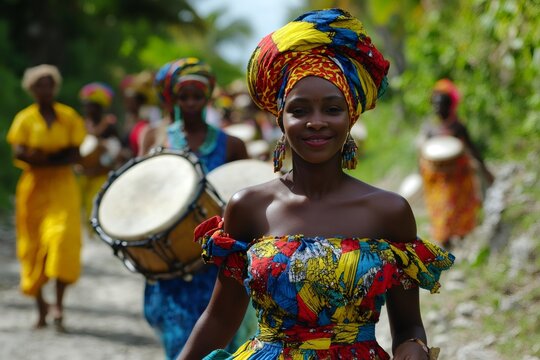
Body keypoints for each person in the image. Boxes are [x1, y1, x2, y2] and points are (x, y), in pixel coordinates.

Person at [178, 9, 455, 360]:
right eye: (300, 110)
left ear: (351, 116)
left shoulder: (389, 212)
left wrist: (413, 349)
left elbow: (408, 325)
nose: (316, 122)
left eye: (332, 109)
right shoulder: (250, 206)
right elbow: (219, 318)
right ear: (280, 118)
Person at [142, 57, 252, 360]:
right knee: (179, 341)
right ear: (172, 99)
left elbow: (245, 195)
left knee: (221, 342)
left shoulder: (232, 145)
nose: (190, 102)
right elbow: (138, 192)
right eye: (183, 96)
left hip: (215, 263)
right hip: (173, 261)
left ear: (208, 98)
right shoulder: (156, 137)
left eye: (197, 96)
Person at [6, 64, 86, 332]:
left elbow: (77, 153)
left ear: (55, 87)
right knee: (32, 245)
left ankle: (59, 305)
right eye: (39, 83)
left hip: (63, 185)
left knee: (62, 239)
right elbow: (20, 152)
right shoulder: (25, 119)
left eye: (49, 83)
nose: (45, 88)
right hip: (33, 188)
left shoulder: (68, 117)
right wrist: (56, 157)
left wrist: (44, 158)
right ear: (31, 88)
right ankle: (40, 305)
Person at [418, 78, 495, 247]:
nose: (438, 108)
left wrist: (485, 170)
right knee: (441, 207)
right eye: (435, 105)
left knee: (457, 206)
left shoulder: (458, 127)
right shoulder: (430, 128)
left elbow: (472, 149)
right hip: (437, 179)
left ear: (449, 106)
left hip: (458, 177)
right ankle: (445, 239)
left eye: (442, 105)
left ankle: (461, 237)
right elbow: (423, 154)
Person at [77, 82, 122, 229]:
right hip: (83, 176)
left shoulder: (109, 125)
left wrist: (103, 147)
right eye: (87, 105)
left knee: (95, 208)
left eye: (93, 105)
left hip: (101, 175)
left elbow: (115, 151)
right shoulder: (81, 124)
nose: (89, 109)